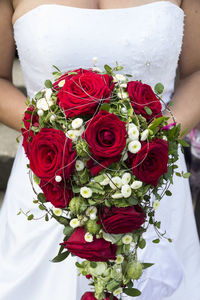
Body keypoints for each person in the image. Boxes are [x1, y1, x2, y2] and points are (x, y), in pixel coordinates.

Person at [0, 0, 200, 299]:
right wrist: (57, 136)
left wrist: (152, 139)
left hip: (152, 177)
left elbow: (196, 73)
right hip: (50, 178)